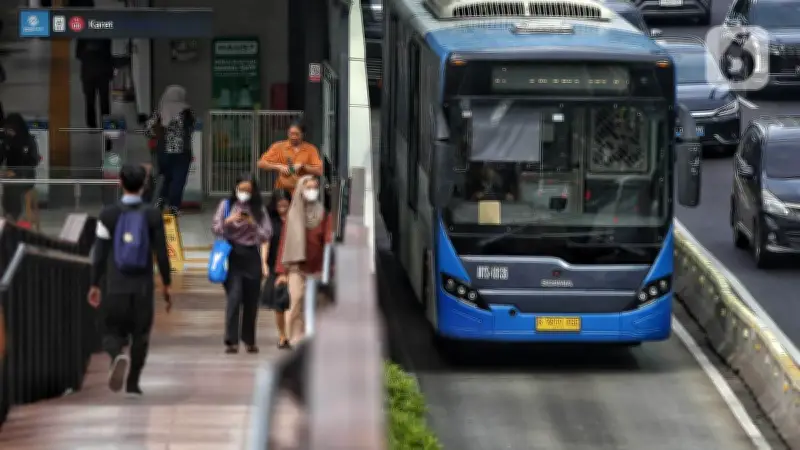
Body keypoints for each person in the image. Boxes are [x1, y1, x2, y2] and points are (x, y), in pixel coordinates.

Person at [87, 164, 171, 397]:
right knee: (141, 335)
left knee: (109, 330)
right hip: (142, 286)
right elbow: (162, 253)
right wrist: (166, 283)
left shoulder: (108, 214)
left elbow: (100, 253)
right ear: (144, 185)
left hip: (115, 284)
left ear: (120, 183)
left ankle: (116, 355)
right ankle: (133, 383)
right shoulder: (153, 215)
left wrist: (94, 284)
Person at [211, 174, 272, 354]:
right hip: (232, 254)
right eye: (241, 189)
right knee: (234, 297)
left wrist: (252, 223)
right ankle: (231, 340)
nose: (244, 193)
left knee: (251, 300)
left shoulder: (259, 208)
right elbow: (215, 228)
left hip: (251, 255)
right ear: (236, 189)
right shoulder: (227, 205)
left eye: (248, 190)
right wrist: (229, 220)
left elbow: (266, 234)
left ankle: (249, 340)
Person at [274, 176, 333, 344]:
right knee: (297, 300)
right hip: (296, 267)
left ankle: (313, 337)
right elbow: (284, 244)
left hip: (317, 267)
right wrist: (281, 272)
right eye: (308, 188)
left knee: (315, 303)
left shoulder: (323, 215)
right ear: (301, 190)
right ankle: (295, 339)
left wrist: (329, 267)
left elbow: (328, 241)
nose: (312, 191)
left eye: (315, 187)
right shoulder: (292, 215)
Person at [145, 85, 195, 215]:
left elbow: (148, 130)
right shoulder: (186, 112)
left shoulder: (159, 111)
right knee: (179, 178)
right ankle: (174, 206)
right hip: (182, 150)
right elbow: (190, 128)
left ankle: (160, 200)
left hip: (163, 150)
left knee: (164, 177)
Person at [261, 189, 292, 349]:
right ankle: (282, 335)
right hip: (275, 265)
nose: (283, 208)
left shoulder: (295, 220)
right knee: (279, 304)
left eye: (285, 205)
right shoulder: (270, 220)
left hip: (293, 265)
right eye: (279, 205)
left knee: (293, 302)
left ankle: (292, 334)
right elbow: (265, 241)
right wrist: (264, 263)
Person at [257, 121, 323, 192]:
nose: (293, 137)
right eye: (291, 134)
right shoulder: (278, 147)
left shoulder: (311, 149)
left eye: (297, 134)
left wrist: (302, 166)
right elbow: (260, 163)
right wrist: (279, 166)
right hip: (283, 189)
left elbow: (319, 171)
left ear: (303, 134)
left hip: (305, 189)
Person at [0, 114, 38, 221]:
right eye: (7, 129)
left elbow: (33, 161)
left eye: (10, 129)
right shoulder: (7, 141)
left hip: (26, 175)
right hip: (9, 175)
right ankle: (7, 213)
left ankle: (13, 215)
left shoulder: (28, 140)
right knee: (8, 185)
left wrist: (17, 172)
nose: (8, 131)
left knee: (13, 186)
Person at [76, 38, 113, 132]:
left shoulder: (83, 37)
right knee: (104, 101)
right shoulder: (106, 36)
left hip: (88, 72)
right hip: (103, 72)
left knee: (89, 100)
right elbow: (109, 54)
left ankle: (92, 125)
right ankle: (105, 124)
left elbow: (78, 54)